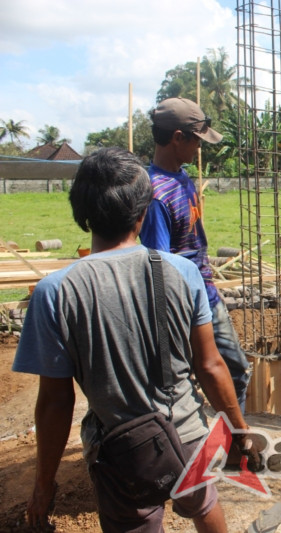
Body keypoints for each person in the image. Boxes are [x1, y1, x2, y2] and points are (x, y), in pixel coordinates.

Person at [12, 147, 250, 532]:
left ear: (82, 214)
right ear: (142, 213)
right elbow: (210, 365)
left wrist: (43, 484)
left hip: (123, 454)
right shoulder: (183, 273)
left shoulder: (55, 292)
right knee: (204, 504)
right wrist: (239, 432)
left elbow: (56, 402)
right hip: (186, 438)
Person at [140, 97, 251, 414]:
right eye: (197, 141)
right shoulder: (155, 194)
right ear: (177, 138)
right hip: (186, 306)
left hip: (207, 295)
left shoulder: (183, 177)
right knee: (206, 380)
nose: (200, 148)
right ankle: (220, 448)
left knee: (235, 374)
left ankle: (228, 446)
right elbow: (158, 263)